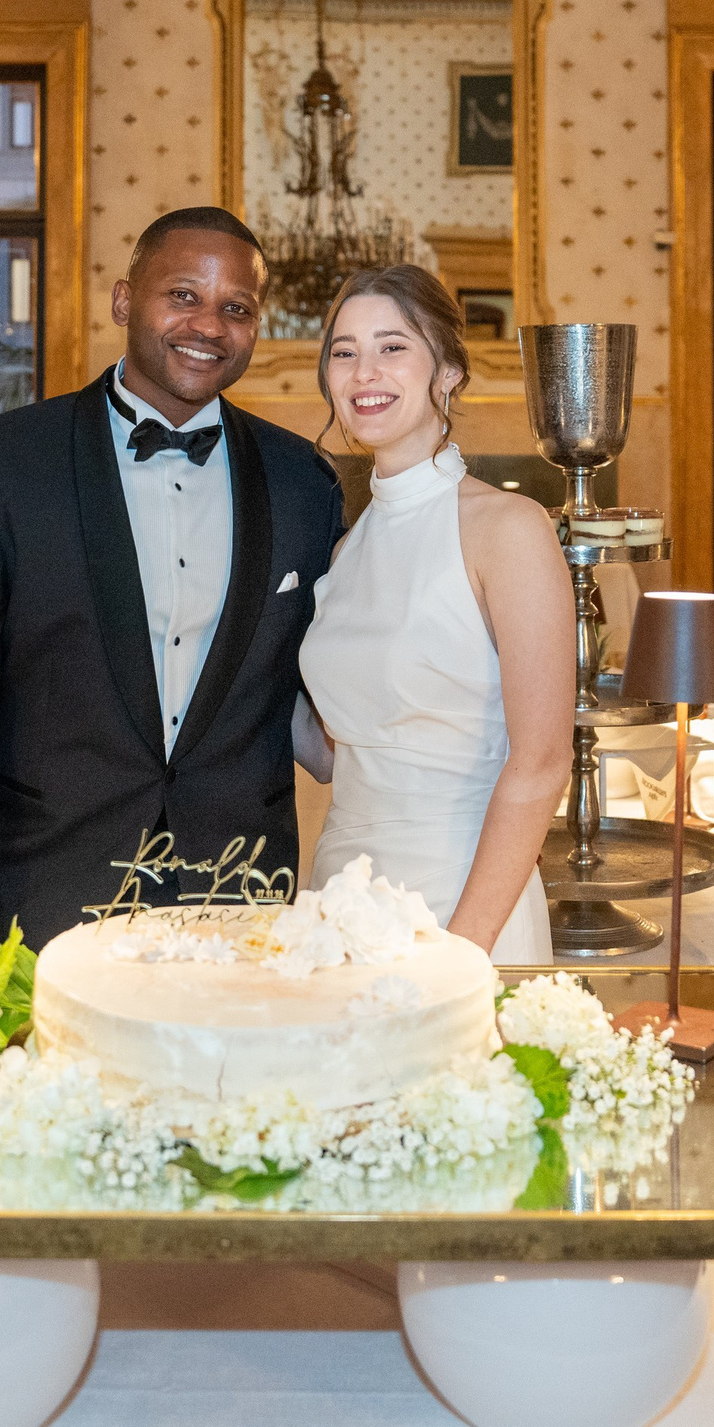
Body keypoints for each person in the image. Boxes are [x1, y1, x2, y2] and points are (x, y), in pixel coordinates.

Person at [0, 206, 347, 957]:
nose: (209, 325)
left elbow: (328, 681)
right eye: (183, 295)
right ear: (123, 300)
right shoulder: (1, 465)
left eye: (237, 308)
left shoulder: (304, 481)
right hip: (46, 900)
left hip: (240, 903)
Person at [297, 264, 573, 963]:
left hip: (461, 905)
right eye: (344, 351)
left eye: (392, 347)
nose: (364, 372)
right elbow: (336, 754)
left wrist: (463, 949)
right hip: (338, 899)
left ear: (447, 371)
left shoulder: (508, 527)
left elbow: (542, 761)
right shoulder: (347, 550)